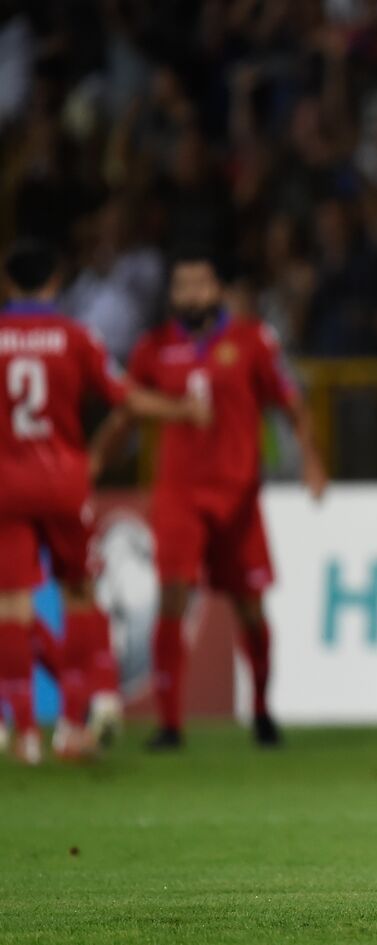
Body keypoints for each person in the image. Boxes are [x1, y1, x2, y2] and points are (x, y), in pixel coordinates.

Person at [89, 248, 327, 751]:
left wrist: (311, 458)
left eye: (199, 285)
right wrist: (92, 463)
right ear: (171, 294)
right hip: (178, 493)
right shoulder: (153, 348)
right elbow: (127, 413)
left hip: (238, 495)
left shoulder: (251, 340)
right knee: (173, 595)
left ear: (216, 288)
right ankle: (170, 723)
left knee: (250, 605)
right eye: (182, 287)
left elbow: (291, 401)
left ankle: (263, 711)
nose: (190, 295)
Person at [0, 240, 201, 763]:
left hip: (6, 484)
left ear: (7, 284)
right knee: (80, 595)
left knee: (11, 606)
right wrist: (181, 410)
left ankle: (22, 734)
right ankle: (72, 728)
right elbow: (126, 399)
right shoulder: (75, 336)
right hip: (64, 480)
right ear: (53, 284)